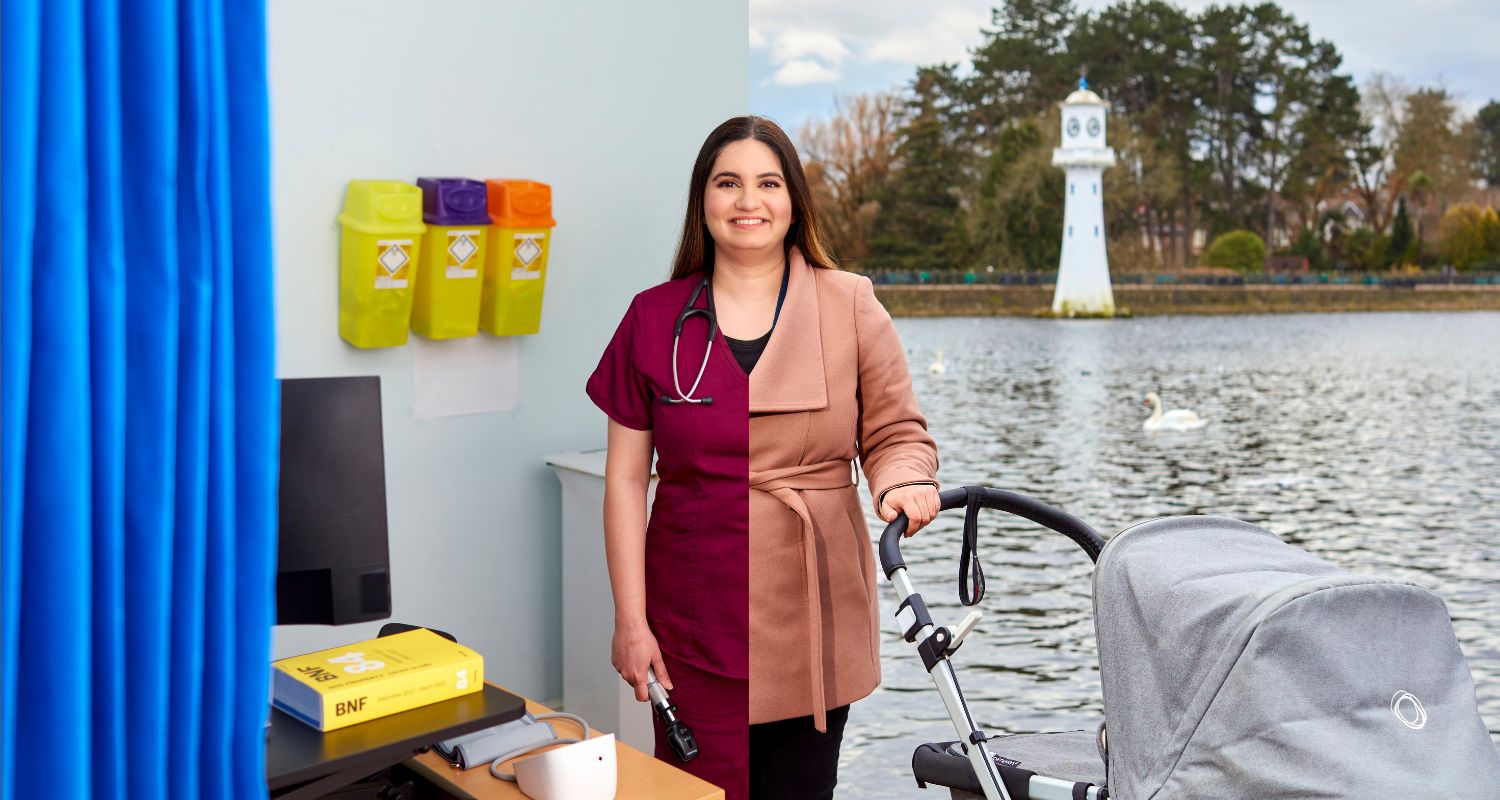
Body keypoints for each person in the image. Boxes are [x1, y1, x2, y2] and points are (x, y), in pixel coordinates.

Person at [587, 116, 939, 800]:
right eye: (728, 183)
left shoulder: (851, 304)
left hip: (813, 611)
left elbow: (896, 432)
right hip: (691, 618)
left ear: (794, 200)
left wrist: (902, 483)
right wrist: (631, 623)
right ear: (704, 202)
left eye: (767, 183)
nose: (748, 200)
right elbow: (627, 479)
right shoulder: (651, 318)